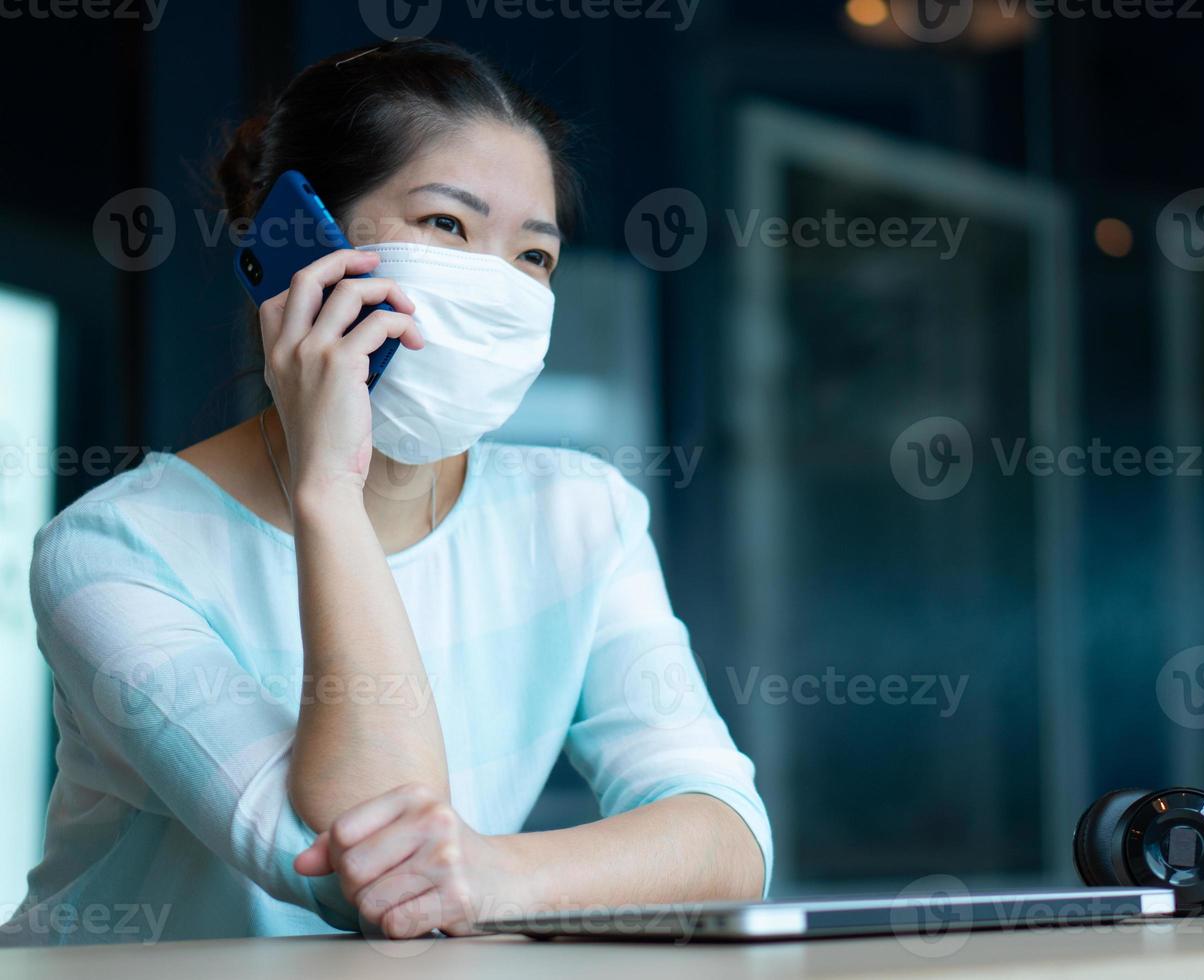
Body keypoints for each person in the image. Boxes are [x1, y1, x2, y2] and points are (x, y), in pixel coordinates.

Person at [5, 39, 769, 945]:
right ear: (298, 244)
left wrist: (494, 875)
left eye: (534, 256)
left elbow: (725, 836)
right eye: (448, 226)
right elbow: (350, 869)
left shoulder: (581, 515)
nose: (498, 285)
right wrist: (330, 490)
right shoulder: (113, 547)